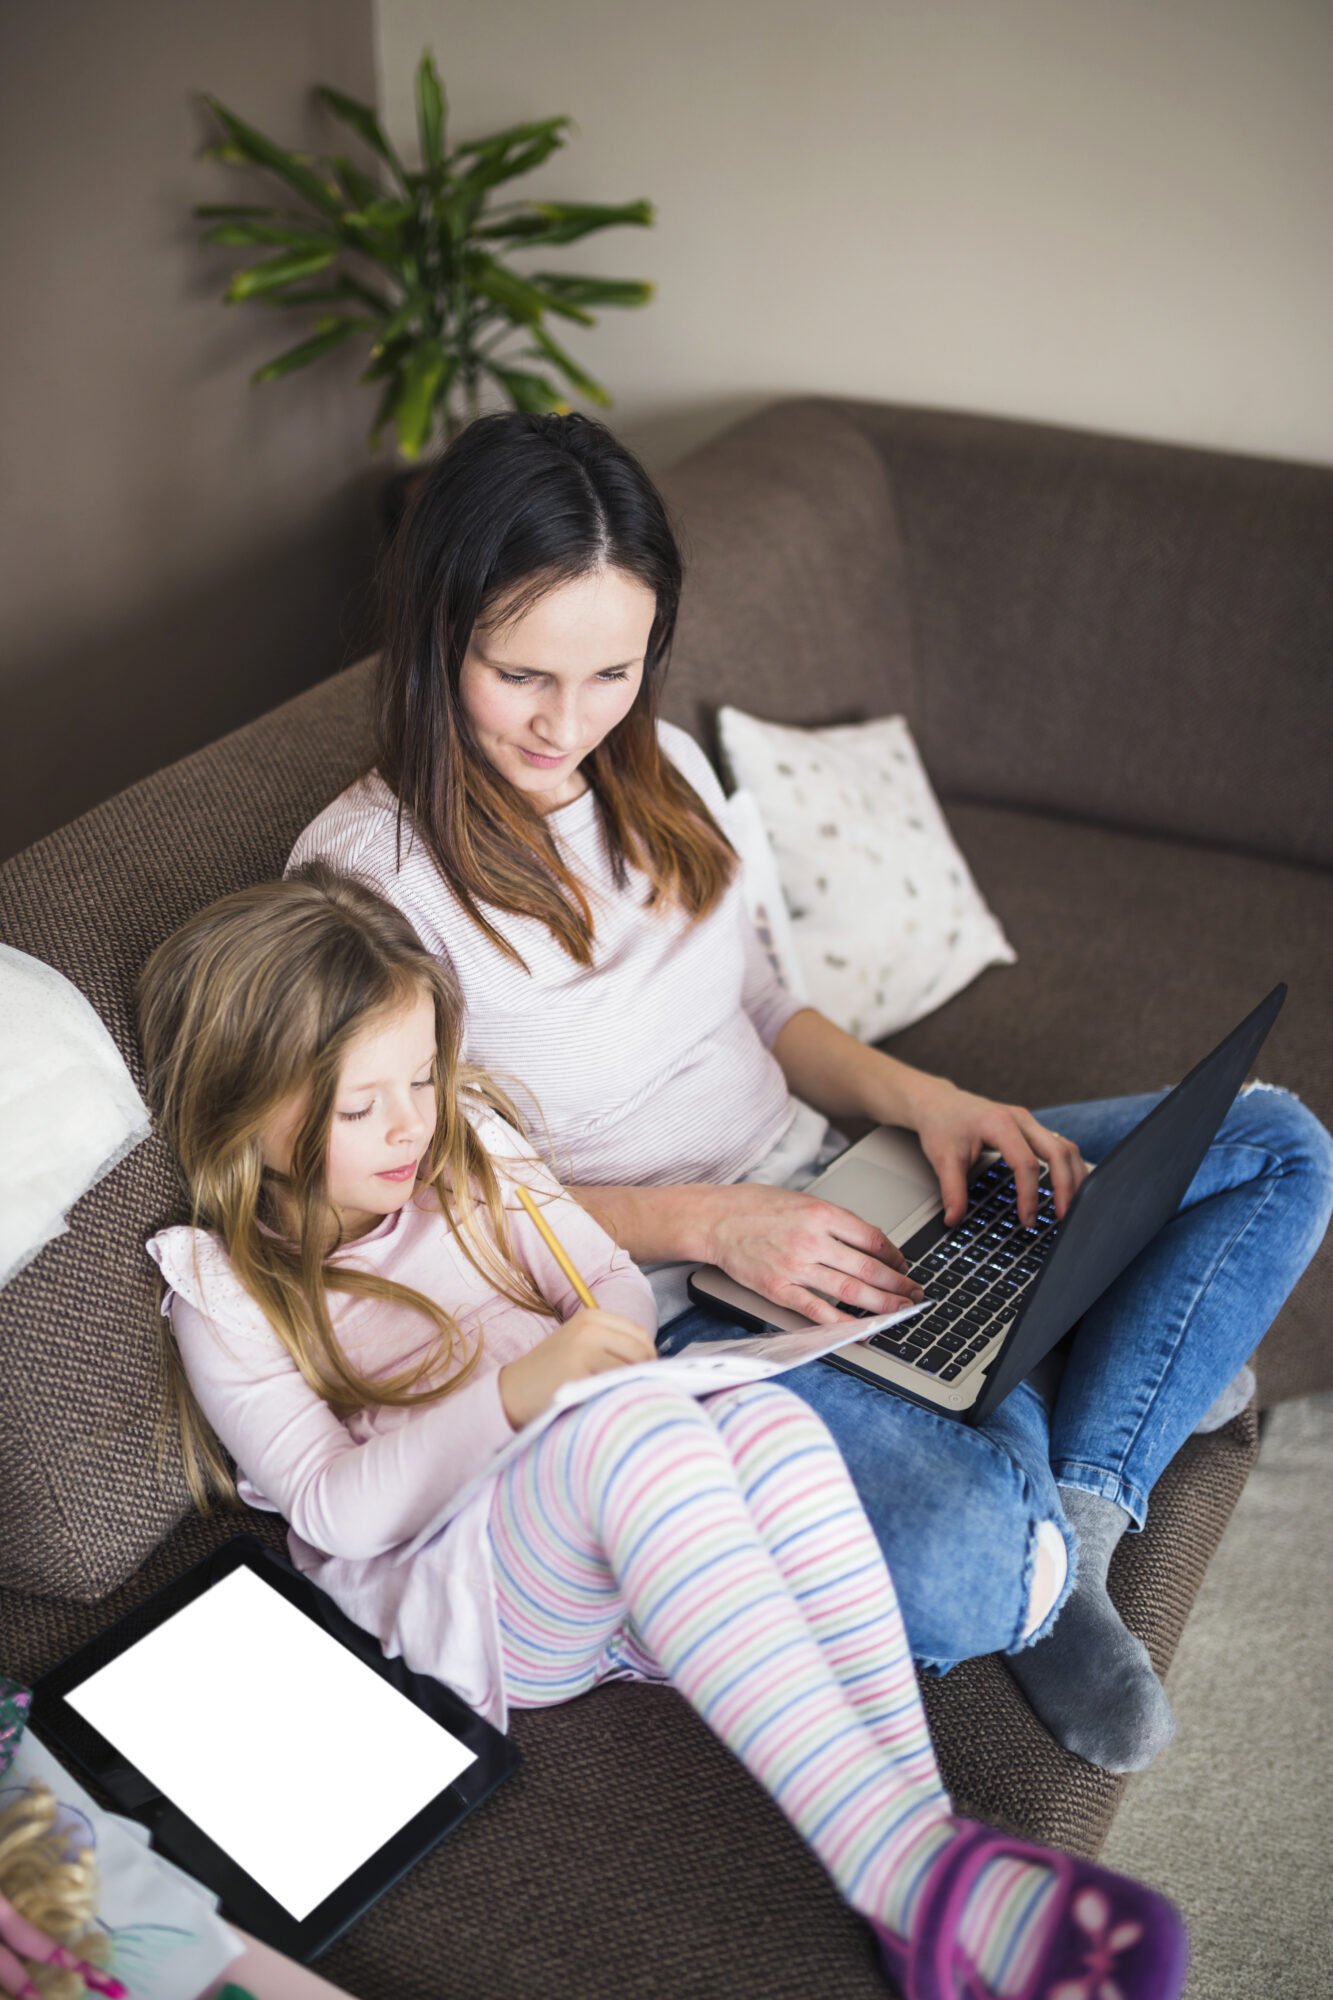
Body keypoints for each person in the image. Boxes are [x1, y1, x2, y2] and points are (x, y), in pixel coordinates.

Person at [290, 412, 1333, 1775]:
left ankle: (1073, 1496)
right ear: (436, 637)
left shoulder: (642, 775)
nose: (568, 722)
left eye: (612, 670)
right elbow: (414, 1206)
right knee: (967, 1566)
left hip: (846, 1182)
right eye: (520, 673)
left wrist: (931, 1101)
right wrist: (713, 1228)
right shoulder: (367, 881)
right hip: (671, 1310)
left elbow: (769, 1009)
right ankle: (1068, 1389)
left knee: (1274, 1145)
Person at [136, 867, 1188, 2000]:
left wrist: (604, 1348)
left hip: (617, 1525)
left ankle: (915, 1869)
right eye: (360, 1106)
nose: (411, 1124)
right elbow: (333, 1505)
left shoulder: (467, 1147)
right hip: (475, 1598)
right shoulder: (224, 1286)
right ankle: (912, 1867)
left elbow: (610, 1285)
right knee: (632, 1429)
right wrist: (525, 1388)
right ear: (251, 1109)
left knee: (767, 1426)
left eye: (422, 1077)